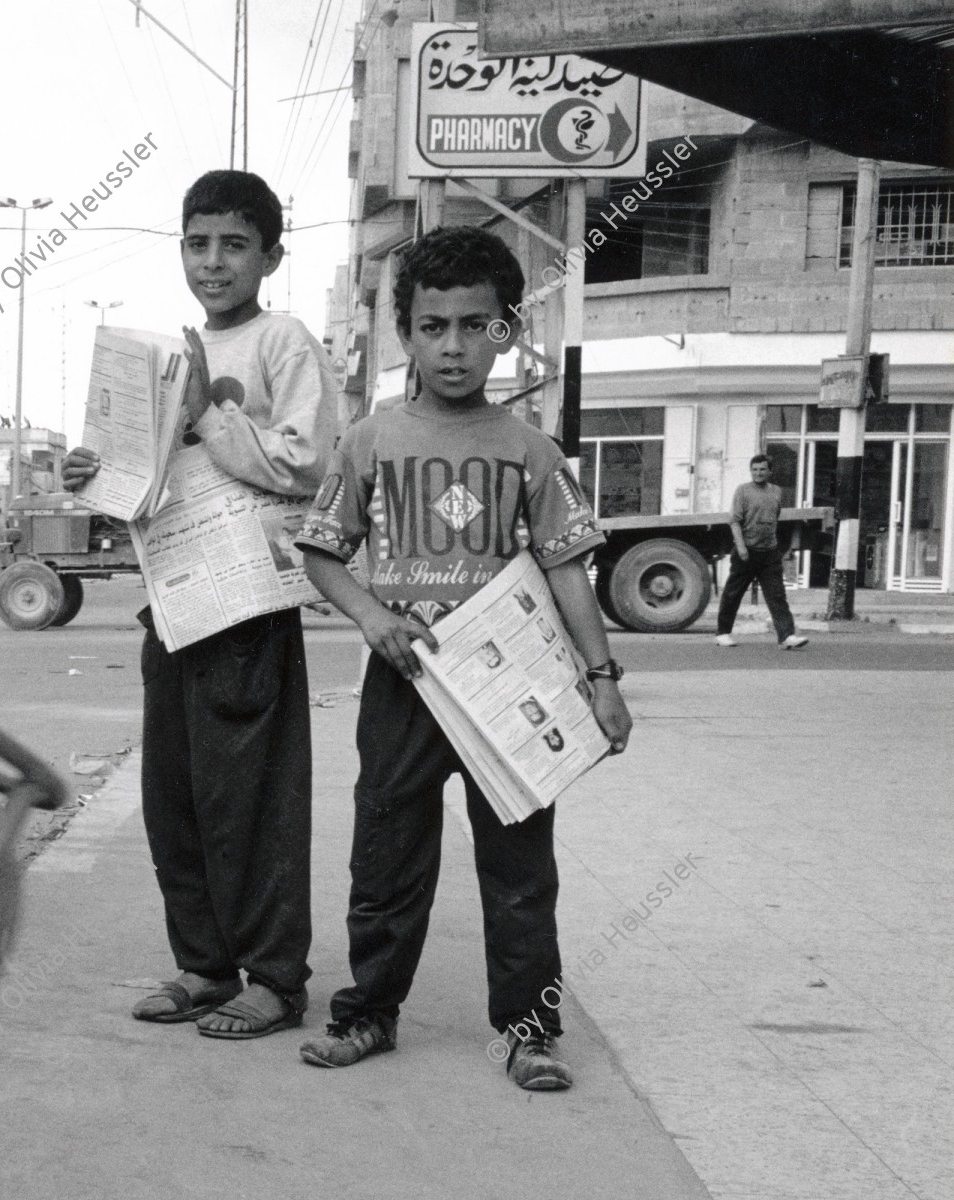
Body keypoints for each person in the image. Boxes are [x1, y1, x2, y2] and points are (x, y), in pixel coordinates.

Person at [292, 225, 633, 1090]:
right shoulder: (368, 441)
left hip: (508, 688)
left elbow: (568, 573)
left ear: (506, 331)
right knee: (385, 860)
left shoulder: (531, 452)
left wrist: (602, 682)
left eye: (475, 325)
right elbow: (324, 551)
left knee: (520, 870)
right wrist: (371, 615)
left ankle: (529, 1033)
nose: (453, 346)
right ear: (405, 333)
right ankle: (368, 1013)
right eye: (434, 325)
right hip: (405, 687)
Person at [63, 170, 337, 1040]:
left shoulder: (282, 342)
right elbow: (143, 490)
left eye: (233, 244)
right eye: (197, 243)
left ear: (269, 255)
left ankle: (277, 979)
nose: (213, 262)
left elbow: (305, 464)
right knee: (174, 797)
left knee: (252, 797)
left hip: (249, 608)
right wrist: (93, 474)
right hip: (173, 606)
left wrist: (203, 419)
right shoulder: (163, 355)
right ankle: (205, 967)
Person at [715, 454, 809, 649]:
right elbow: (734, 521)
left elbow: (775, 518)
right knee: (733, 594)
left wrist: (778, 549)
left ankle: (786, 636)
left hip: (769, 553)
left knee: (777, 595)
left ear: (769, 472)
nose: (758, 473)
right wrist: (741, 548)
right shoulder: (743, 491)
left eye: (762, 469)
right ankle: (723, 633)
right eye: (755, 469)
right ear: (751, 471)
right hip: (746, 552)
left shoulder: (776, 491)